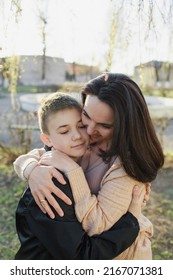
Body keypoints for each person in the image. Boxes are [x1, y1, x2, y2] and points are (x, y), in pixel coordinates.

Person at [14, 73, 164, 259]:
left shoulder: (126, 168)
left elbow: (98, 226)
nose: (90, 130)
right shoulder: (84, 141)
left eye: (104, 125)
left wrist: (73, 171)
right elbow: (38, 154)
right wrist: (32, 170)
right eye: (86, 115)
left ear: (123, 124)